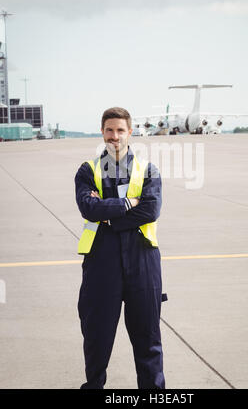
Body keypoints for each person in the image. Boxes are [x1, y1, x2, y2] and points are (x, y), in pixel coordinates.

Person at [75, 106, 167, 389]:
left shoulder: (147, 170)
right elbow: (88, 208)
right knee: (97, 338)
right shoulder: (88, 170)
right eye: (109, 130)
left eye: (120, 130)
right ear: (102, 132)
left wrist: (109, 218)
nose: (115, 136)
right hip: (102, 263)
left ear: (131, 133)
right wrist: (128, 204)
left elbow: (150, 211)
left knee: (148, 339)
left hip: (142, 261)